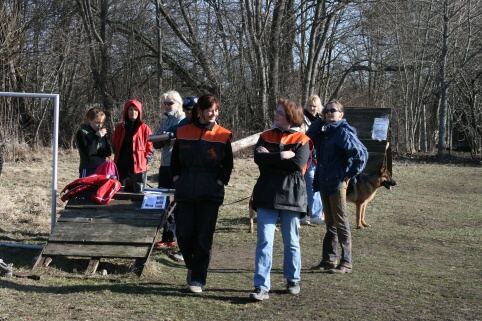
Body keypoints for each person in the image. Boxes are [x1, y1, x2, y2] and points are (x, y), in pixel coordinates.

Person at [249, 98, 312, 301]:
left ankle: (293, 279)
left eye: (280, 112)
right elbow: (259, 159)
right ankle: (261, 287)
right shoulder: (265, 136)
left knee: (291, 241)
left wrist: (272, 157)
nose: (275, 114)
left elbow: (296, 164)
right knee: (264, 241)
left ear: (291, 116)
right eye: (276, 111)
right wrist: (281, 156)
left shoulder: (303, 139)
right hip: (267, 194)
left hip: (292, 196)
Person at [170, 94, 233, 293]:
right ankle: (191, 265)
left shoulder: (223, 134)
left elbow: (228, 164)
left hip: (210, 194)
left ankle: (198, 279)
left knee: (203, 238)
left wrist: (219, 182)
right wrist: (177, 180)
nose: (214, 114)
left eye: (216, 110)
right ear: (200, 111)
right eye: (210, 110)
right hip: (185, 191)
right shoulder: (182, 131)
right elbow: (175, 162)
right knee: (184, 235)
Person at [307, 99, 368, 274]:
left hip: (337, 183)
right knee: (330, 223)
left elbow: (360, 156)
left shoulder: (343, 132)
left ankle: (346, 262)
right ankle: (329, 260)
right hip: (325, 181)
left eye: (333, 111)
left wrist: (348, 176)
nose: (329, 113)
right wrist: (320, 120)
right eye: (326, 111)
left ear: (341, 114)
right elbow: (310, 136)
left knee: (340, 223)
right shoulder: (326, 132)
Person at [153, 91, 185, 250]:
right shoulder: (165, 122)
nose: (166, 106)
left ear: (178, 103)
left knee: (175, 202)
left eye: (169, 103)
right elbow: (156, 144)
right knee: (163, 201)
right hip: (164, 164)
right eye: (165, 103)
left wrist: (173, 139)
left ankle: (175, 237)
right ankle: (167, 236)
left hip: (177, 165)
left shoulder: (183, 120)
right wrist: (160, 137)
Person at [112, 99, 153, 188]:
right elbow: (114, 145)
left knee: (138, 193)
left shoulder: (145, 128)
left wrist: (144, 161)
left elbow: (150, 148)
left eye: (135, 109)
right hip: (122, 167)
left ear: (139, 112)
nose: (133, 112)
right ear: (126, 111)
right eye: (130, 109)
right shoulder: (119, 128)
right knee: (121, 192)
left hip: (139, 169)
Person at [300, 95, 324, 225]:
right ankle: (302, 215)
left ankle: (316, 215)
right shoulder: (300, 118)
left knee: (315, 184)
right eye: (310, 105)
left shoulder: (322, 120)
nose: (312, 108)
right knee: (305, 184)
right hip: (304, 154)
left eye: (314, 106)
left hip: (317, 156)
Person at [76, 108, 112, 178]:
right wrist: (97, 137)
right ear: (90, 120)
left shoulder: (102, 133)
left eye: (102, 123)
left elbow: (108, 152)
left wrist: (95, 151)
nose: (100, 125)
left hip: (101, 168)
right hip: (88, 169)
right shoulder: (82, 133)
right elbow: (88, 152)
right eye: (97, 122)